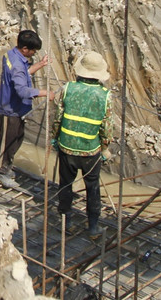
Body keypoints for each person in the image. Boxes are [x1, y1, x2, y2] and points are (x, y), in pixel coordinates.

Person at [53, 50, 112, 235]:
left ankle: (66, 222)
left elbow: (58, 118)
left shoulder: (68, 88)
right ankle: (93, 227)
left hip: (67, 147)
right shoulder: (105, 95)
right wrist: (105, 147)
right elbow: (106, 127)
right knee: (92, 188)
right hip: (90, 151)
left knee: (65, 184)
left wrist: (55, 139)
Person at [0, 29, 50, 185]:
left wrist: (40, 64)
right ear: (25, 49)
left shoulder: (12, 56)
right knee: (7, 143)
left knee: (17, 139)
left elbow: (23, 74)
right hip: (10, 109)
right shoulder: (18, 64)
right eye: (32, 51)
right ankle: (1, 171)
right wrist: (45, 93)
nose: (33, 54)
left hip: (16, 109)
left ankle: (7, 166)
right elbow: (22, 90)